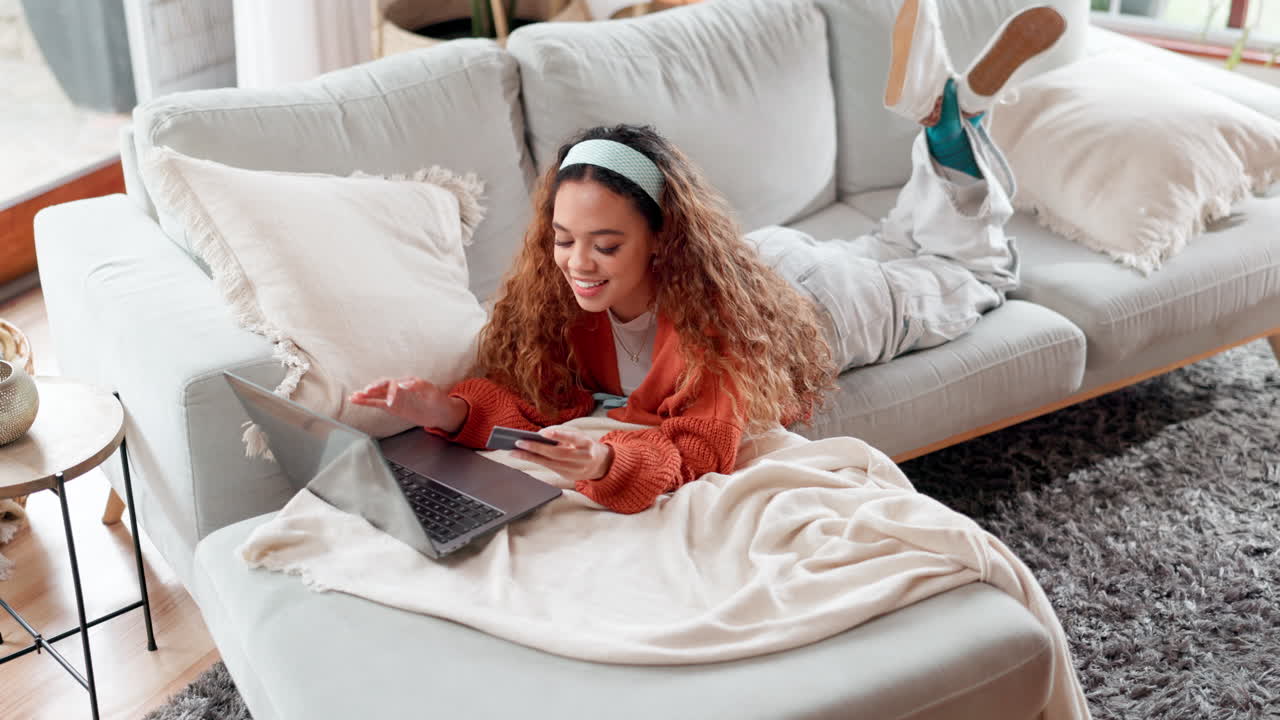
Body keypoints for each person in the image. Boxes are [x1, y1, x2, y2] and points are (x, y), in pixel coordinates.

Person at [351, 0, 1067, 514]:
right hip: (767, 264)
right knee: (894, 247)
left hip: (819, 306)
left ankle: (953, 126)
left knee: (971, 276)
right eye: (563, 241)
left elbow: (698, 448)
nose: (578, 265)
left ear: (663, 238)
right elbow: (531, 402)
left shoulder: (714, 334)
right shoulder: (558, 306)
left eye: (607, 246)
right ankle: (954, 115)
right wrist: (443, 408)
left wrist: (605, 460)